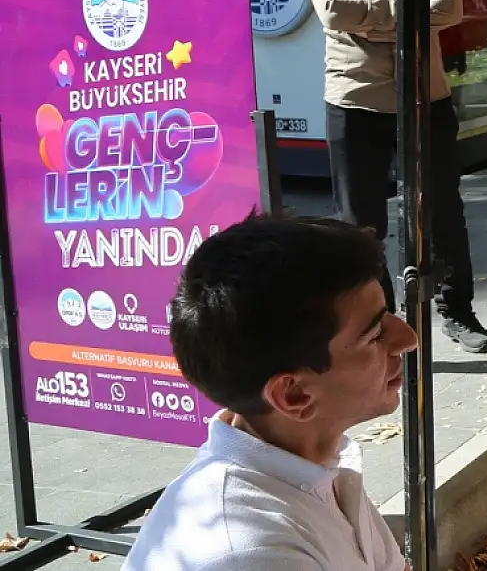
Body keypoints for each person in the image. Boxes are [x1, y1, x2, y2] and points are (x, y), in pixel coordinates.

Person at [123, 214, 418, 570]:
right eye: (374, 336)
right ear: (294, 396)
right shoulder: (252, 554)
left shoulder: (311, 462)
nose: (407, 339)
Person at [306, 0, 487, 354]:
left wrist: (369, 19)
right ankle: (381, 330)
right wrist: (407, 15)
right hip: (355, 100)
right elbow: (330, 11)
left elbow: (449, 7)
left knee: (442, 213)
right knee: (359, 225)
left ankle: (459, 315)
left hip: (423, 97)